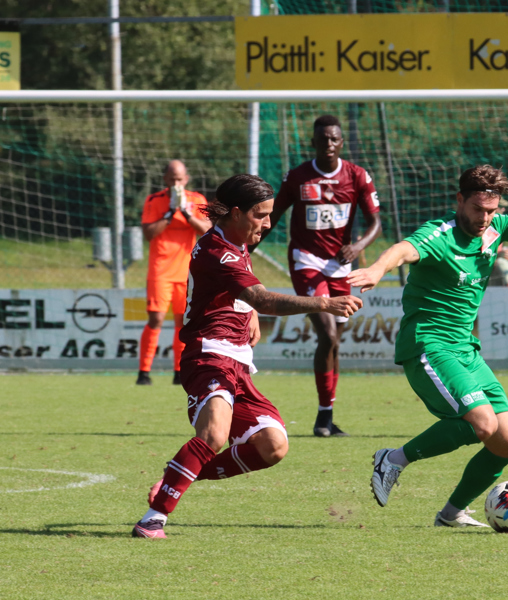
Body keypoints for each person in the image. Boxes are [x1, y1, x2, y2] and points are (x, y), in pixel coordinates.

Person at [351, 164, 508, 527]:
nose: (485, 218)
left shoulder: (496, 229)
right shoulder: (440, 234)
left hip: (466, 350)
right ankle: (392, 460)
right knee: (482, 423)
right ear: (459, 200)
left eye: (492, 210)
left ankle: (451, 514)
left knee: (506, 443)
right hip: (429, 346)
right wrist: (376, 270)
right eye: (477, 209)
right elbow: (402, 250)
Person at [132, 174, 362, 538]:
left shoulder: (235, 241)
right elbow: (264, 298)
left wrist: (247, 310)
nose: (268, 223)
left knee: (273, 446)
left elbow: (242, 290)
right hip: (209, 354)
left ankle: (177, 475)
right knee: (213, 435)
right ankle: (153, 518)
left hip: (237, 360)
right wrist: (323, 303)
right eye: (261, 215)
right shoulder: (217, 251)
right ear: (236, 213)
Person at [267, 114, 382, 437]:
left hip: (341, 266)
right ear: (313, 142)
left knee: (334, 343)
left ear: (341, 143)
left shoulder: (357, 176)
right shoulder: (298, 177)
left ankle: (327, 415)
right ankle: (321, 418)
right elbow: (273, 216)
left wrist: (357, 246)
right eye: (323, 139)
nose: (328, 144)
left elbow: (376, 224)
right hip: (306, 261)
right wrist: (245, 249)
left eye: (334, 139)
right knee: (328, 334)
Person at [137, 160, 210, 386]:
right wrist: (170, 212)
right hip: (160, 269)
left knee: (183, 321)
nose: (176, 183)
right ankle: (144, 372)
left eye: (180, 179)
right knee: (156, 318)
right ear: (165, 180)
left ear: (186, 179)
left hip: (187, 269)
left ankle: (179, 371)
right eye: (172, 179)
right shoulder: (154, 200)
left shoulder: (197, 200)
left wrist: (186, 213)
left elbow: (206, 230)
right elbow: (149, 233)